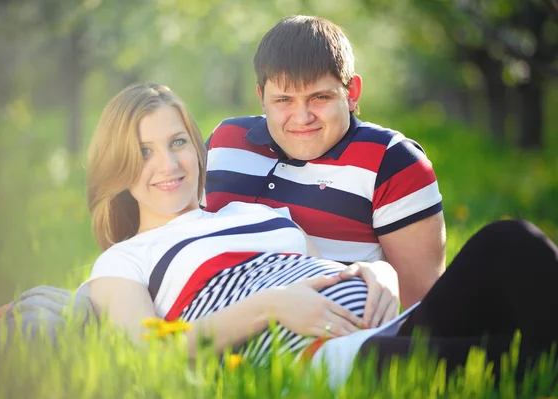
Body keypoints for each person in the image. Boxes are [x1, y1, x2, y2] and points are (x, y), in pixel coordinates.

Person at [82, 83, 558, 384]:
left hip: (390, 326)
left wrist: (379, 273)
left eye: (178, 142)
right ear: (117, 167)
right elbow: (148, 355)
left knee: (510, 242)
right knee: (512, 359)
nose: (167, 164)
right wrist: (269, 308)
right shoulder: (125, 260)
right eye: (143, 152)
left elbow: (327, 271)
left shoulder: (249, 213)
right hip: (325, 362)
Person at [204, 15, 446, 323]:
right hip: (223, 329)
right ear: (261, 98)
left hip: (341, 335)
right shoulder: (226, 142)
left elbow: (424, 309)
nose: (302, 117)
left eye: (319, 97)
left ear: (352, 93)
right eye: (283, 100)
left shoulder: (392, 161)